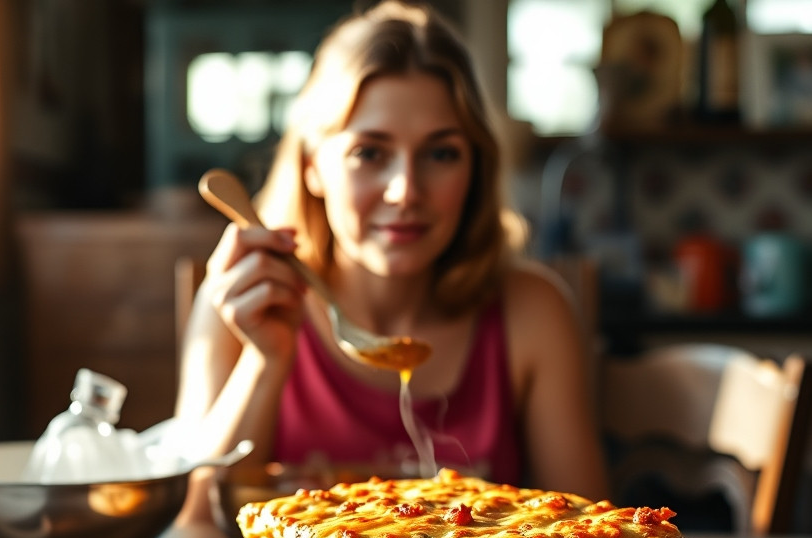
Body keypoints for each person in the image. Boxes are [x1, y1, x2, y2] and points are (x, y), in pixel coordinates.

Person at [175, 1, 608, 511]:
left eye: (441, 153)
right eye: (370, 153)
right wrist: (266, 361)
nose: (405, 190)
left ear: (475, 171)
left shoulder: (532, 311)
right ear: (314, 165)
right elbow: (195, 528)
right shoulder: (243, 300)